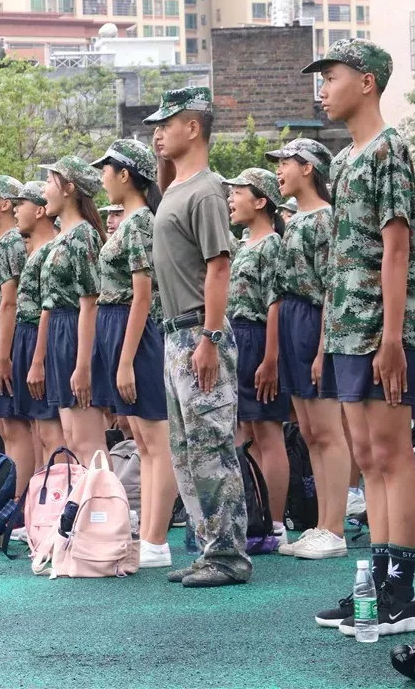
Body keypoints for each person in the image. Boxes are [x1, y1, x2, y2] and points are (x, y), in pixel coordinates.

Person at [303, 39, 415, 635]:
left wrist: (394, 336)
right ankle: (378, 586)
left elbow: (397, 247)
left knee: (392, 455)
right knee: (367, 459)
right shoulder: (347, 157)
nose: (322, 89)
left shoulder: (389, 149)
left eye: (330, 77)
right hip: (349, 328)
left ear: (368, 82)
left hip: (381, 328)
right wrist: (330, 336)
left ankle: (401, 594)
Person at [145, 86, 252, 588]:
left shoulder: (207, 189)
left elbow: (219, 266)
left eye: (168, 123)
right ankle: (209, 548)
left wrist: (209, 336)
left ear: (194, 127)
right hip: (176, 333)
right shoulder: (177, 187)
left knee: (211, 446)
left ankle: (229, 556)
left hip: (197, 331)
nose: (158, 132)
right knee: (186, 451)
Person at [265, 138, 353, 558]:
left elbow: (332, 288)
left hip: (315, 322)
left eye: (286, 162)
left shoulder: (325, 219)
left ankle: (334, 528)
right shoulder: (297, 220)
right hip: (293, 323)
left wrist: (322, 350)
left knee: (327, 430)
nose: (279, 171)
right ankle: (321, 523)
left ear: (308, 168)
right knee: (310, 432)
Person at [91, 139, 176, 569]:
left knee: (155, 440)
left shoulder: (140, 221)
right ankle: (149, 536)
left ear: (126, 175)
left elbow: (143, 295)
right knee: (140, 440)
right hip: (118, 328)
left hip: (135, 333)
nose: (102, 179)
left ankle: (157, 541)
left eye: (106, 170)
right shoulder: (128, 221)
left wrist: (125, 359)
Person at [223, 169, 294, 550]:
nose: (231, 200)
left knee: (268, 431)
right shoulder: (243, 244)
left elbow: (275, 304)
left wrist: (271, 358)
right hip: (236, 337)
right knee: (243, 433)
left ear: (261, 201)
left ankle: (275, 522)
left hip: (259, 338)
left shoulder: (272, 246)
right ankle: (250, 517)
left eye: (239, 193)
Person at [38, 156, 112, 466]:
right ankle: (84, 509)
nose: (43, 190)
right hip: (60, 330)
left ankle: (107, 511)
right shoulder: (63, 236)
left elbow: (90, 303)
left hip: (75, 333)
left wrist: (83, 367)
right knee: (70, 437)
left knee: (87, 441)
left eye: (49, 181)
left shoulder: (83, 235)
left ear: (69, 189)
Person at [0, 175, 36, 494]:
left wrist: (3, 355)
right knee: (5, 423)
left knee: (14, 426)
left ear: (5, 203)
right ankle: (14, 501)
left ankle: (19, 505)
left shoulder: (13, 240)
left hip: (7, 337)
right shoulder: (1, 242)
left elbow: (9, 301)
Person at [6, 181, 67, 468]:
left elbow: (48, 309)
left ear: (41, 210)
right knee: (39, 430)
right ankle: (42, 501)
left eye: (22, 205)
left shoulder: (51, 249)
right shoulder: (37, 250)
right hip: (26, 335)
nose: (16, 211)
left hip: (40, 338)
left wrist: (38, 359)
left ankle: (61, 501)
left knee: (52, 432)